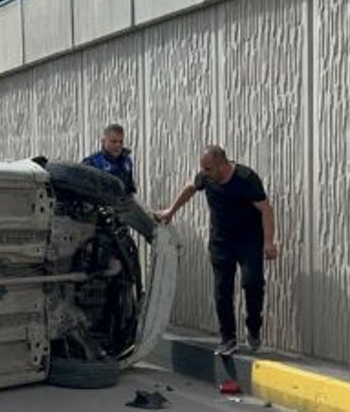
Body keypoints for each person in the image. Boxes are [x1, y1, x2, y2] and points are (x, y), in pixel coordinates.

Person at [158, 145, 277, 356]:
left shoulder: (246, 178)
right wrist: (171, 211)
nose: (204, 172)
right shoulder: (206, 177)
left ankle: (253, 328)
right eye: (202, 168)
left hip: (249, 241)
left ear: (222, 165)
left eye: (208, 168)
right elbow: (190, 188)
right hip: (221, 242)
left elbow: (265, 209)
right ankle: (227, 338)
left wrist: (269, 242)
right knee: (222, 290)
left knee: (252, 284)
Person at [82, 124, 136, 195]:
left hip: (122, 201)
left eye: (121, 141)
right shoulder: (93, 162)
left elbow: (130, 188)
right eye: (114, 141)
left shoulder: (127, 161)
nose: (118, 145)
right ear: (103, 141)